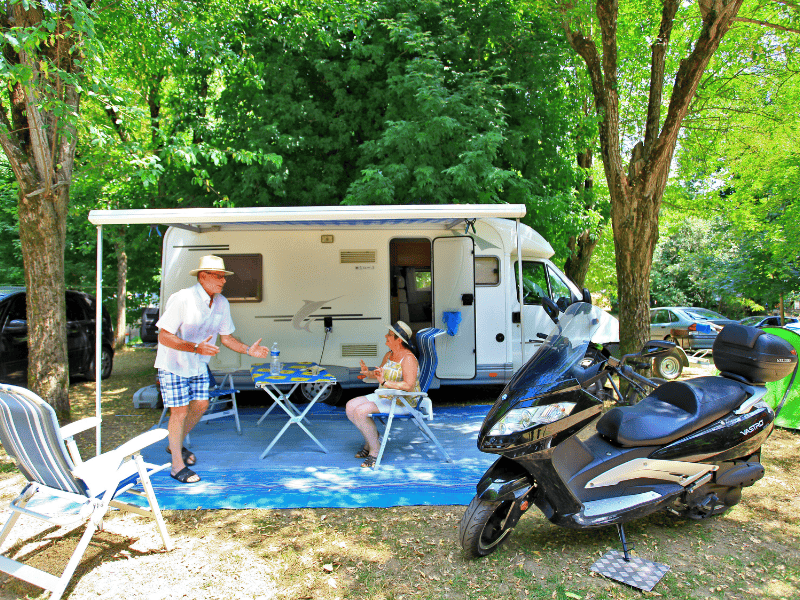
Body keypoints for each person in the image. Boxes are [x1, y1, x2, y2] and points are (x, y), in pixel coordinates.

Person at [155, 255, 270, 484]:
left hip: (197, 364)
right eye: (218, 276)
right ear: (203, 276)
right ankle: (177, 465)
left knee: (201, 405)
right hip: (174, 363)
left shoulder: (221, 303)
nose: (223, 281)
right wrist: (195, 348)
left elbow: (226, 338)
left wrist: (249, 350)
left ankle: (173, 444)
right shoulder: (183, 299)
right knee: (179, 411)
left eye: (224, 277)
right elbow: (164, 336)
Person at [345, 321, 420, 468]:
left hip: (402, 401)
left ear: (399, 340)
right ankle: (372, 438)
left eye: (390, 335)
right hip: (386, 395)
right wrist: (369, 373)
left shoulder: (409, 359)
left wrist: (385, 383)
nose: (386, 336)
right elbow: (380, 374)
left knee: (360, 411)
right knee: (350, 406)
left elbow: (409, 386)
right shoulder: (389, 355)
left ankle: (375, 450)